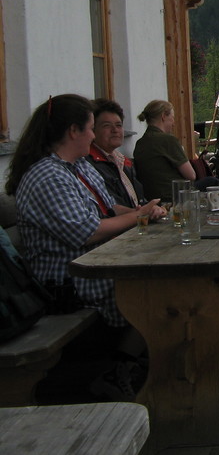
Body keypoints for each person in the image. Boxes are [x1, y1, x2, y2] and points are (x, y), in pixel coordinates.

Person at [5, 94, 166, 400]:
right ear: (73, 131)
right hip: (70, 283)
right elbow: (87, 232)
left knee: (164, 279)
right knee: (156, 287)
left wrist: (145, 211)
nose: (93, 135)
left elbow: (109, 210)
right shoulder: (46, 176)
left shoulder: (77, 166)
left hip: (92, 267)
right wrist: (138, 216)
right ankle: (122, 367)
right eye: (91, 128)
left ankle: (138, 362)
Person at [132, 99, 217, 202]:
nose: (174, 123)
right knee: (212, 181)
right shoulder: (168, 140)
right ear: (163, 116)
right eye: (172, 118)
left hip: (151, 198)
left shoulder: (140, 143)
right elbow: (191, 175)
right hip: (174, 196)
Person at [88, 98, 145, 209]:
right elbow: (111, 209)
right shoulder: (89, 164)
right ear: (92, 130)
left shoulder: (123, 161)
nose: (115, 130)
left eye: (119, 125)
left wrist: (153, 208)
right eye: (107, 125)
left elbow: (139, 201)